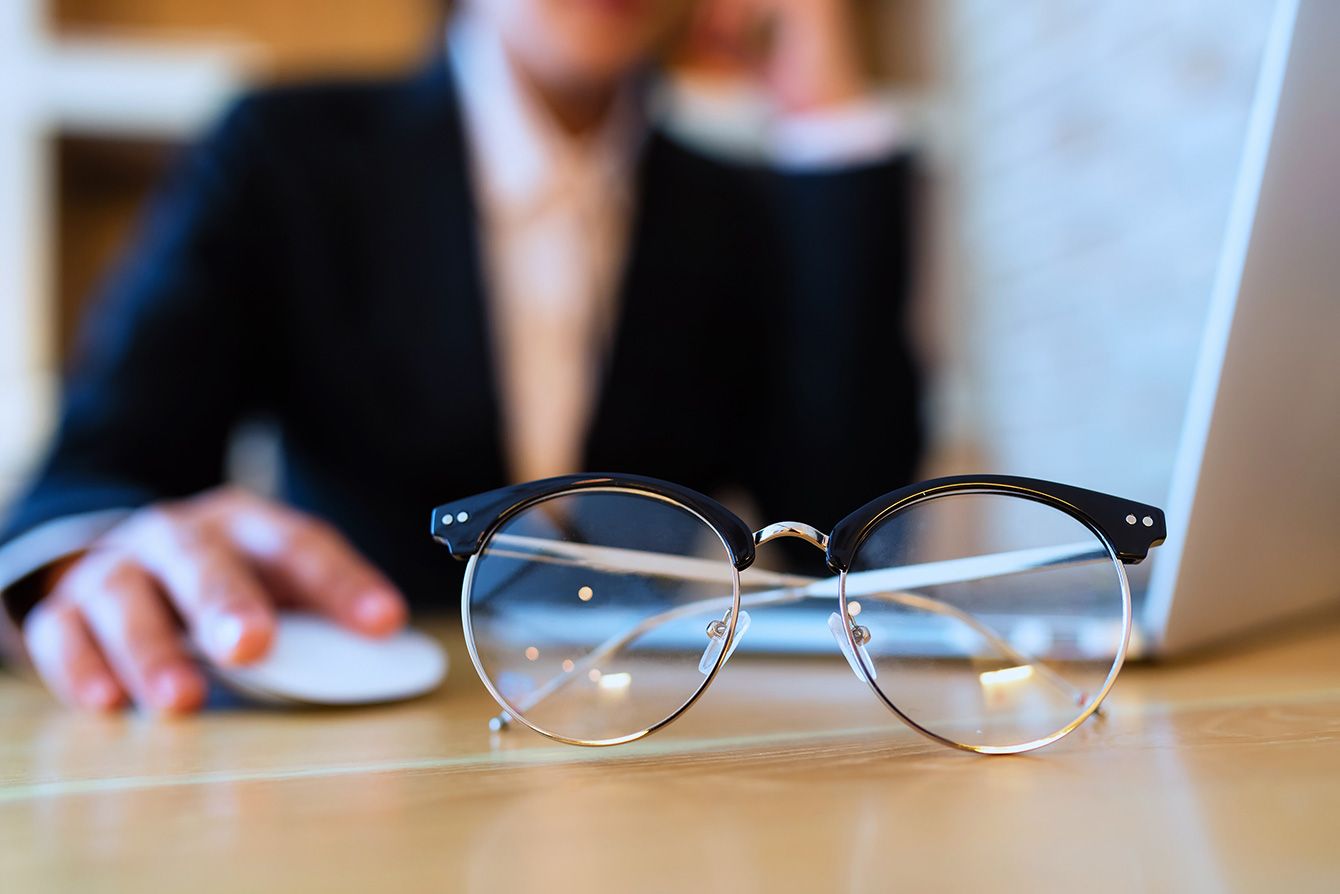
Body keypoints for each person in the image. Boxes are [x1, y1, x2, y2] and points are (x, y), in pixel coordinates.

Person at [0, 0, 922, 713]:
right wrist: (92, 564)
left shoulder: (742, 214)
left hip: (653, 736)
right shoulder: (288, 156)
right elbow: (96, 469)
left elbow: (845, 538)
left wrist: (826, 118)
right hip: (362, 738)